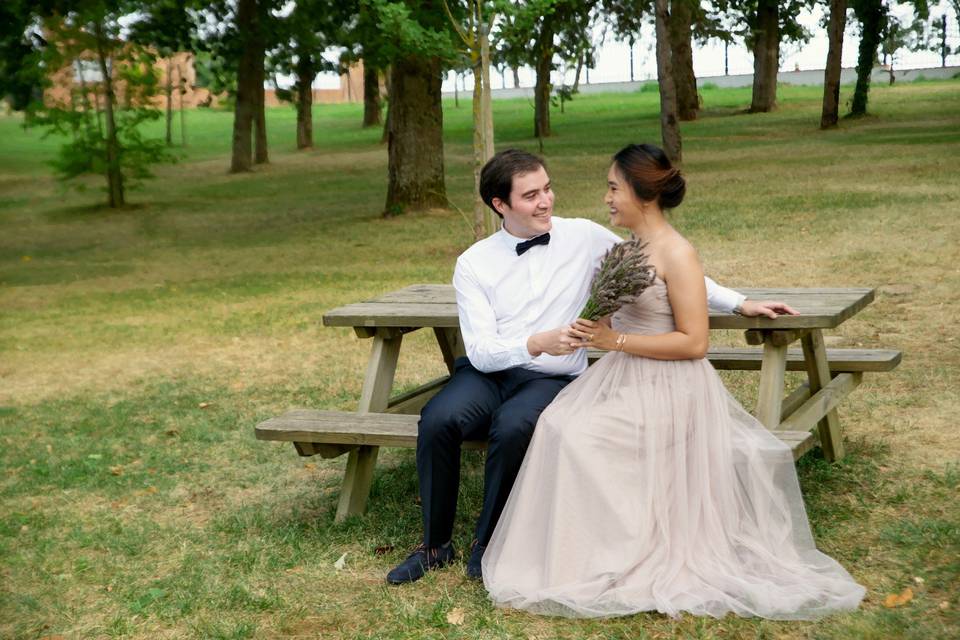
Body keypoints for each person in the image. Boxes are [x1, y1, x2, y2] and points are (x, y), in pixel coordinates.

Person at [481, 144, 865, 619]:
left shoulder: (678, 252)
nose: (606, 197)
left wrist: (616, 338)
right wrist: (587, 327)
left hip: (671, 385)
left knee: (580, 436)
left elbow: (693, 343)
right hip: (623, 378)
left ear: (642, 196)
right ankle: (589, 551)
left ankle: (623, 551)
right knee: (558, 424)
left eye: (613, 187)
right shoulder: (623, 248)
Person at [386, 149, 797, 585]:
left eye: (547, 189)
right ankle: (433, 546)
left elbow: (658, 264)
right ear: (500, 205)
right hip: (489, 371)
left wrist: (739, 302)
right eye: (530, 196)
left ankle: (489, 544)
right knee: (438, 418)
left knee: (513, 428)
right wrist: (535, 342)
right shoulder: (473, 263)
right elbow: (483, 350)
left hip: (551, 377)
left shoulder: (582, 236)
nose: (546, 201)